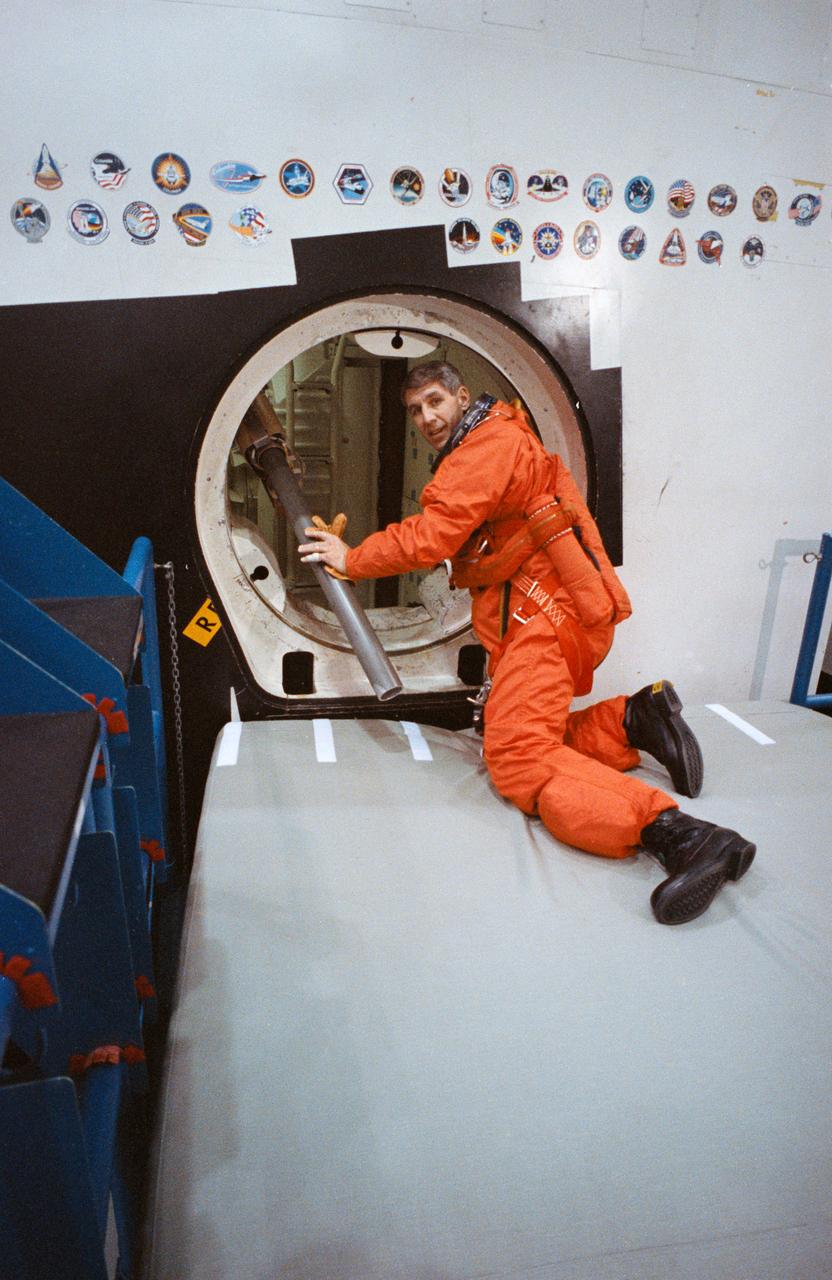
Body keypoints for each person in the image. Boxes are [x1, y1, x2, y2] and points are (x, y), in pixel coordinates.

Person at [299, 361, 756, 925]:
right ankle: (634, 720)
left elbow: (434, 534)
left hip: (545, 615)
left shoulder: (487, 447)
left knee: (517, 757)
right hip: (542, 613)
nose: (427, 417)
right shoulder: (492, 436)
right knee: (524, 732)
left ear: (461, 397)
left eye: (436, 401)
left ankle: (676, 833)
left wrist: (352, 559)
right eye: (415, 410)